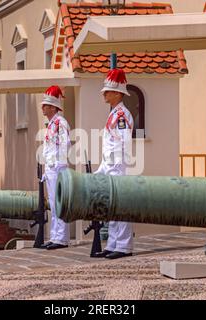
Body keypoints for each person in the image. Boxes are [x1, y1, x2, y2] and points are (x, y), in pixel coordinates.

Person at [93, 69, 134, 260]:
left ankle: (124, 245)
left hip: (118, 167)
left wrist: (117, 166)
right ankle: (113, 244)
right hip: (110, 167)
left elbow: (123, 143)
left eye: (108, 91)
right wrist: (102, 168)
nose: (104, 94)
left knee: (121, 207)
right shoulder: (114, 114)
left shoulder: (122, 115)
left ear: (117, 93)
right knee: (112, 209)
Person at [40, 86, 71, 250]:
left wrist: (59, 165)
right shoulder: (52, 123)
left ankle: (61, 238)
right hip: (51, 169)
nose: (43, 107)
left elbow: (65, 145)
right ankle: (55, 236)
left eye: (46, 105)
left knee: (59, 203)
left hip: (58, 168)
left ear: (53, 107)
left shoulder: (60, 122)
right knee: (53, 203)